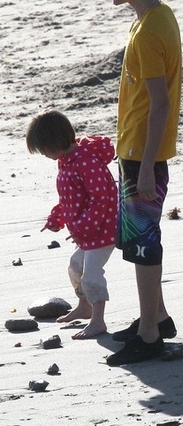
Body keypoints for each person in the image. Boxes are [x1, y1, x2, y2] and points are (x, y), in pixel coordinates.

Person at [99, 0, 182, 366]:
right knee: (137, 241)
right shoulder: (154, 17)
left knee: (145, 245)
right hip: (135, 152)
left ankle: (150, 335)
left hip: (143, 158)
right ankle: (158, 318)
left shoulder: (150, 31)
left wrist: (146, 166)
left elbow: (160, 104)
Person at [26, 110, 117, 339]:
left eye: (44, 150)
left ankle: (98, 320)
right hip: (85, 231)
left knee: (92, 275)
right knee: (75, 266)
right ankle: (84, 307)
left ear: (54, 142)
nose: (44, 155)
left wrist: (82, 227)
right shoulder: (66, 161)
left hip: (102, 230)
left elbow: (102, 198)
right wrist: (58, 217)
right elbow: (71, 198)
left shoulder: (86, 161)